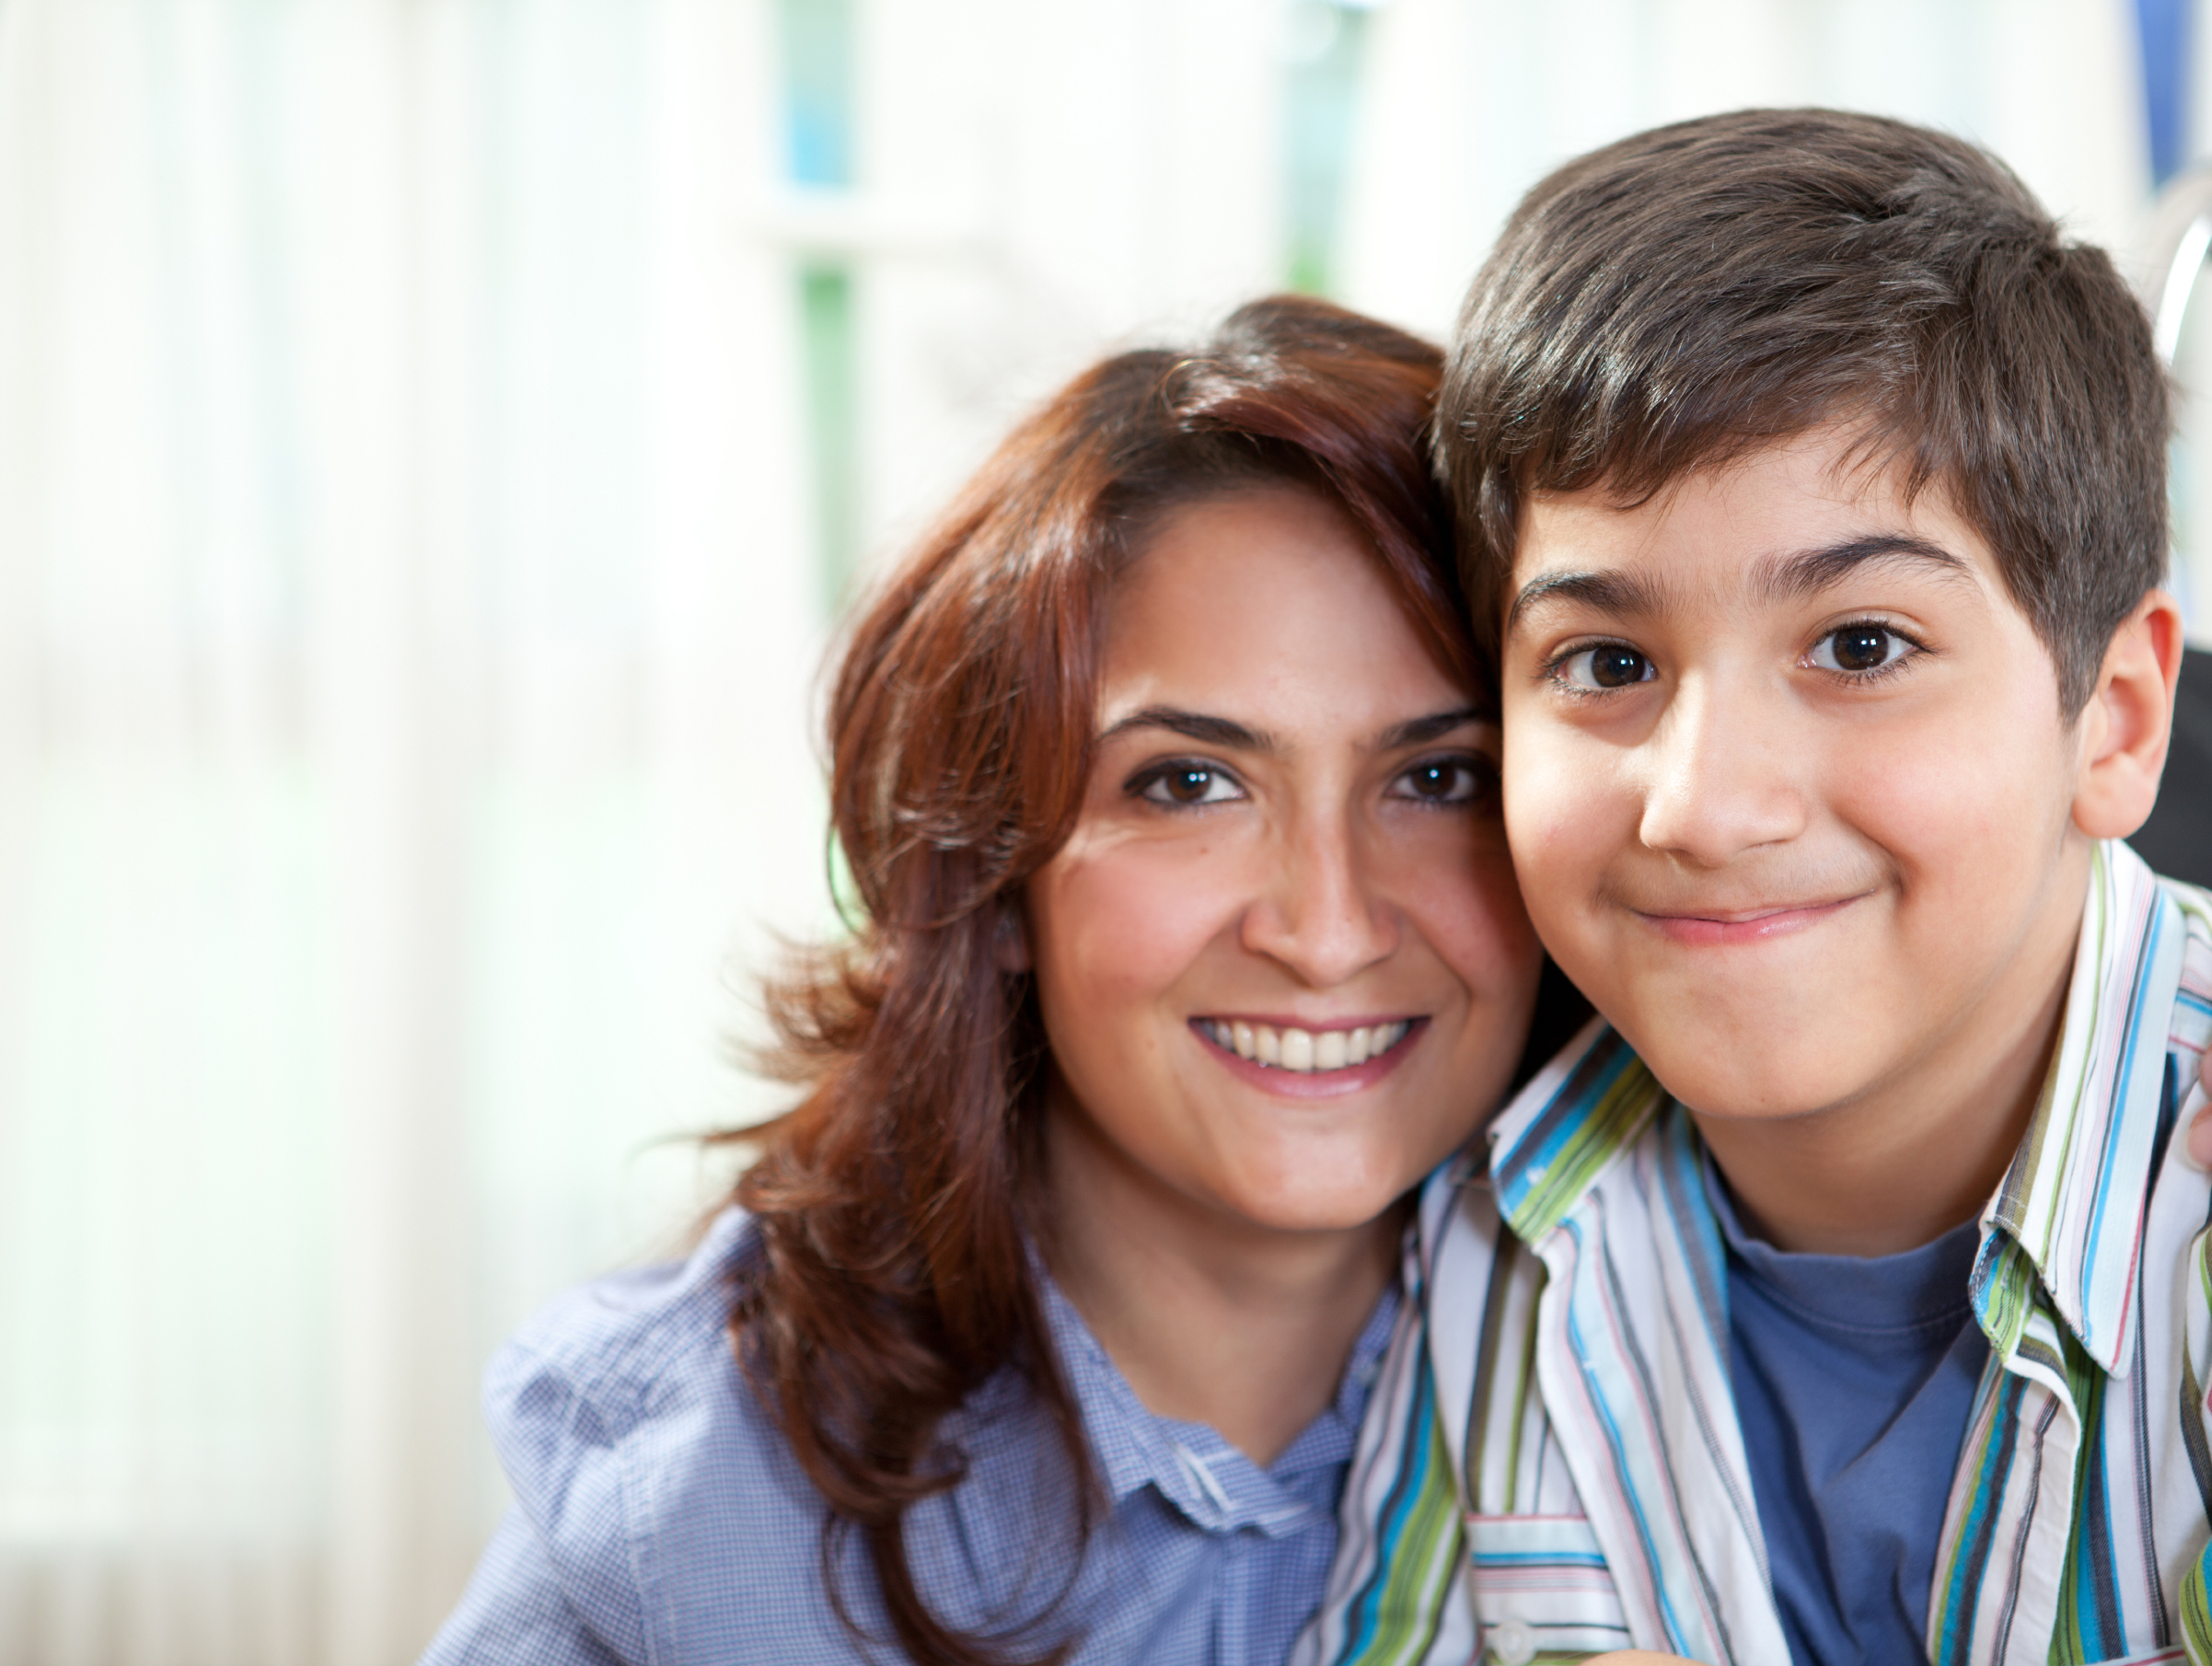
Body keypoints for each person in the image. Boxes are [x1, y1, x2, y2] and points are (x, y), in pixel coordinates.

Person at [418, 295, 1559, 1665]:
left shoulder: (1688, 1381)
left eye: (1440, 778)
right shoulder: (697, 1510)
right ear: (989, 874)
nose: (1328, 929)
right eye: (1189, 782)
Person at [1298, 110, 2212, 1666]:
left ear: (2114, 720)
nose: (1705, 804)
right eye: (1606, 662)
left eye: (1862, 646)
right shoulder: (1498, 1231)